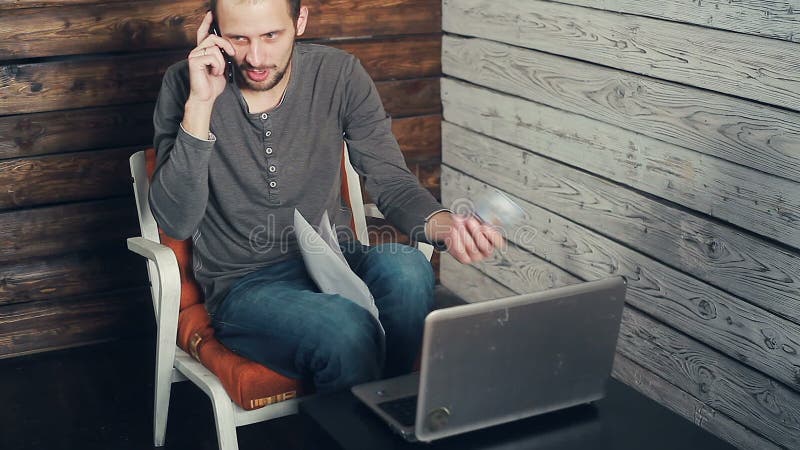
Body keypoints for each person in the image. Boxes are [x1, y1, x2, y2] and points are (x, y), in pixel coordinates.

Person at [149, 0, 504, 392]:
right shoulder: (185, 84)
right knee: (344, 330)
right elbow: (176, 220)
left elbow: (391, 180)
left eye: (271, 35)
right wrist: (201, 103)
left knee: (408, 269)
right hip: (244, 286)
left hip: (335, 259)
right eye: (238, 38)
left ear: (299, 21)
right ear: (214, 31)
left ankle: (391, 409)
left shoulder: (339, 73)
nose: (256, 57)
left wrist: (446, 226)